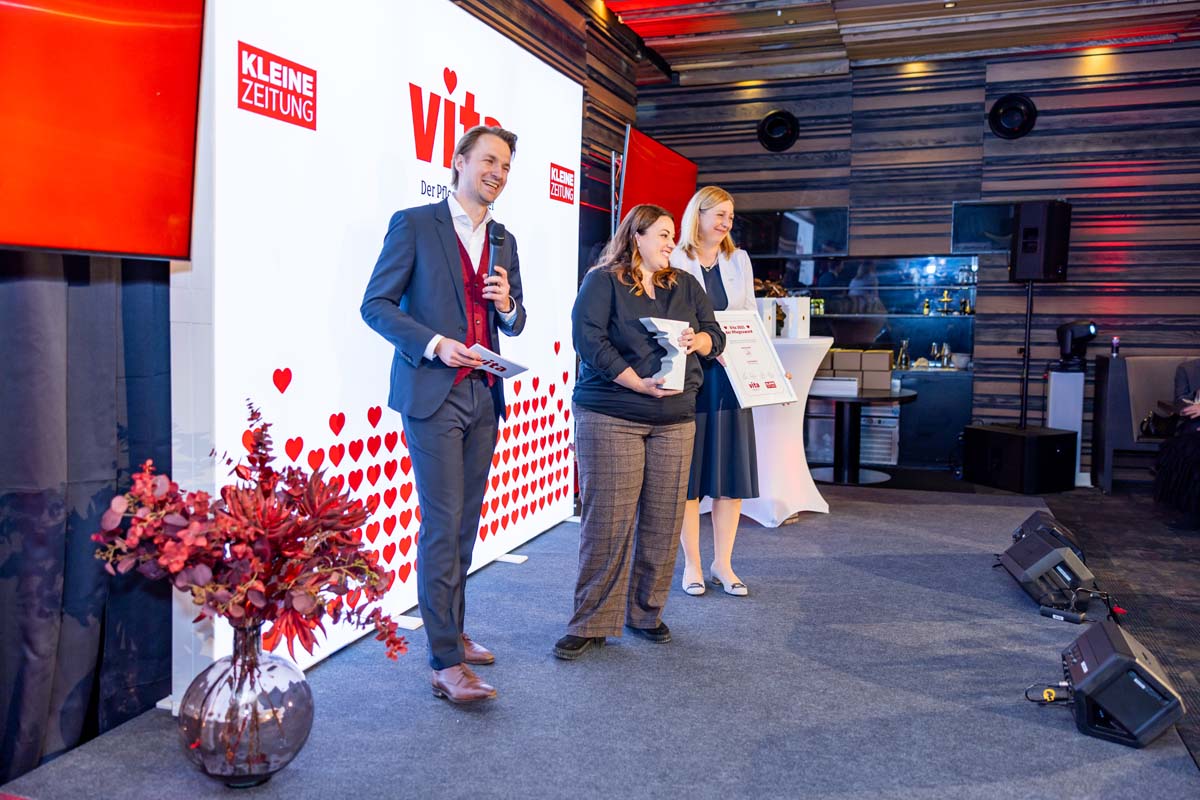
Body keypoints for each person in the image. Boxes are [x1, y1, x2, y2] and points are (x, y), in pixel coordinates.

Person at [361, 125, 525, 704]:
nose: (498, 173)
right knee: (441, 521)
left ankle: (452, 629)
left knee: (464, 524)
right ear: (459, 161)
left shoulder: (503, 238)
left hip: (484, 394)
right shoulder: (414, 224)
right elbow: (375, 305)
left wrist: (508, 305)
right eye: (489, 161)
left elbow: (516, 321)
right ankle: (445, 662)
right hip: (433, 393)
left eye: (505, 166)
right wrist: (433, 343)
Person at [554, 204, 725, 660]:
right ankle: (591, 622)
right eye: (663, 234)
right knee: (607, 523)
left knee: (664, 521)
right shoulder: (602, 281)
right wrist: (636, 382)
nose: (671, 243)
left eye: (672, 235)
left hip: (675, 420)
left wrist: (700, 340)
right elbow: (589, 340)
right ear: (637, 237)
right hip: (612, 413)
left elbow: (715, 334)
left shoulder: (685, 285)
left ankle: (646, 613)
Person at [670, 186, 758, 597]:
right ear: (698, 215)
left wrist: (765, 365)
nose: (726, 223)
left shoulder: (739, 260)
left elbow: (751, 316)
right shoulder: (675, 258)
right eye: (719, 214)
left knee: (729, 473)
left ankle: (723, 563)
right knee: (688, 476)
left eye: (730, 216)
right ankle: (691, 564)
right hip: (690, 376)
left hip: (731, 376)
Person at [1154, 359, 1200, 523]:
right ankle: (1190, 512)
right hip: (1194, 424)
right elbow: (1182, 403)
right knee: (1189, 446)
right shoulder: (1187, 369)